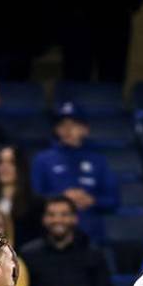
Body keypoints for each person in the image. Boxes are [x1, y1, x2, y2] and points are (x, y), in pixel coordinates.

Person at [29, 102, 119, 243]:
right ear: (56, 130)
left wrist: (92, 200)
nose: (68, 129)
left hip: (91, 235)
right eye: (62, 125)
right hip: (51, 235)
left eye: (74, 124)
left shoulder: (98, 160)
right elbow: (34, 198)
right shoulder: (43, 159)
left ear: (85, 129)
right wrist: (63, 198)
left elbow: (113, 200)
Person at [0, 146, 40, 244]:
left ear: (20, 167)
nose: (4, 167)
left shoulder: (35, 203)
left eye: (11, 163)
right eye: (0, 162)